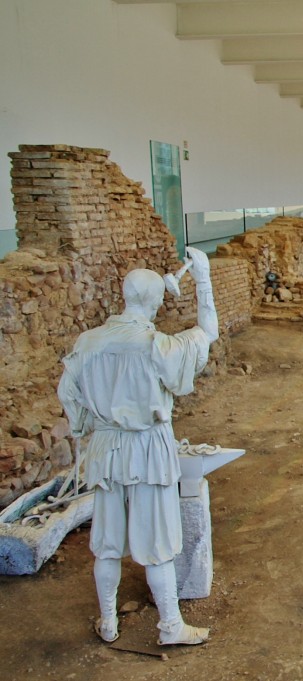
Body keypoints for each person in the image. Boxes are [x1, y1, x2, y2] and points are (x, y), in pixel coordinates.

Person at [58, 247, 219, 647]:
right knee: (157, 542)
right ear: (156, 300)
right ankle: (170, 626)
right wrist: (202, 277)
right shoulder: (158, 347)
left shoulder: (88, 342)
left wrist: (86, 424)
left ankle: (109, 622)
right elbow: (208, 333)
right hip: (147, 449)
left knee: (108, 543)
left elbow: (68, 392)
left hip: (107, 449)